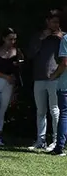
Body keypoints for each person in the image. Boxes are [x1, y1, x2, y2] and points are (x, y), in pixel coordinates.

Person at [29, 11, 62, 151]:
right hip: (39, 77)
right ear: (47, 22)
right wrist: (42, 38)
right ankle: (40, 140)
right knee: (40, 111)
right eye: (53, 22)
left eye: (57, 22)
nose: (56, 25)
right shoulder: (38, 36)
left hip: (55, 78)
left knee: (55, 110)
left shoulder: (62, 37)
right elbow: (30, 54)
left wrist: (61, 38)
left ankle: (56, 140)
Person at [52, 18, 67, 157]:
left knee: (64, 114)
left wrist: (54, 75)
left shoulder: (65, 39)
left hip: (65, 84)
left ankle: (60, 147)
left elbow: (64, 63)